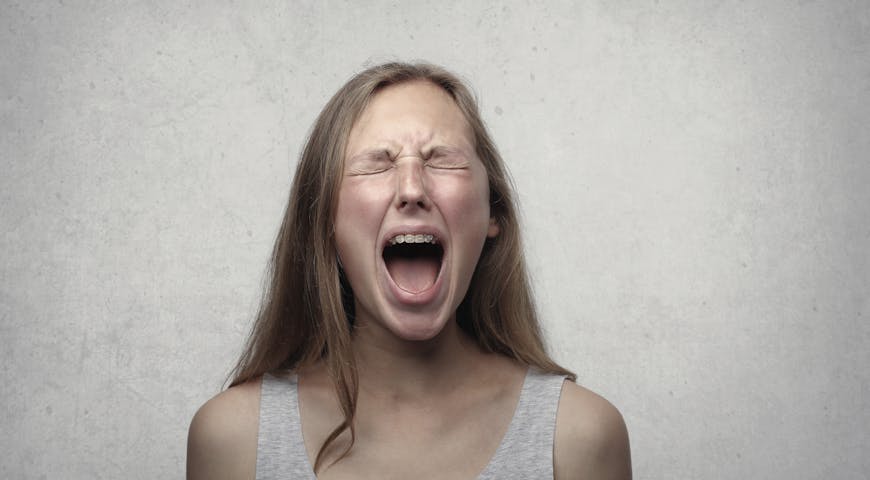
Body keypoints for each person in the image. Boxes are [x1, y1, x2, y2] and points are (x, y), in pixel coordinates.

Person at [187, 62, 631, 479]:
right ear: (323, 222)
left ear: (492, 212)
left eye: (441, 158)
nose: (412, 188)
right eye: (377, 162)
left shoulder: (579, 438)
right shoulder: (233, 440)